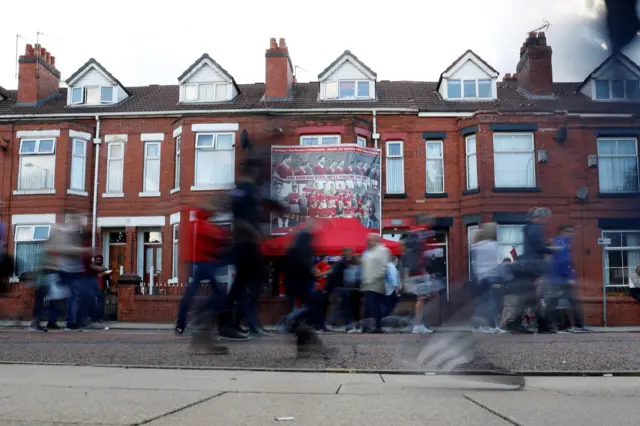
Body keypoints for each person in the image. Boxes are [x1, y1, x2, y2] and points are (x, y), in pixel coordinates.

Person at [547, 225, 588, 333]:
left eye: (572, 231)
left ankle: (552, 325)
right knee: (560, 302)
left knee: (556, 302)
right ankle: (577, 325)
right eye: (569, 231)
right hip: (559, 279)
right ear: (562, 231)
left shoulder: (563, 243)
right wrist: (568, 277)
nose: (571, 234)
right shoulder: (560, 242)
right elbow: (562, 261)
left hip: (557, 278)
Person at [470, 223, 506, 334]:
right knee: (492, 302)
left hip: (481, 277)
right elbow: (499, 262)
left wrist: (478, 276)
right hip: (492, 276)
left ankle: (476, 326)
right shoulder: (494, 245)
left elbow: (475, 264)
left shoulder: (476, 246)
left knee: (482, 302)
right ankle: (493, 326)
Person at [360, 233, 390, 333]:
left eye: (370, 240)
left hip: (376, 282)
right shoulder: (369, 252)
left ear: (376, 240)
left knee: (374, 305)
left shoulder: (382, 250)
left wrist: (375, 278)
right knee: (369, 305)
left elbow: (384, 266)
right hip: (368, 282)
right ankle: (367, 326)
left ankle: (377, 326)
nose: (367, 242)